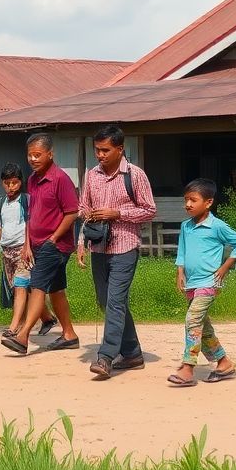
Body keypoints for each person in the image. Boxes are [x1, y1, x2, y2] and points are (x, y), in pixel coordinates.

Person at [76, 125, 157, 380]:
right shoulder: (92, 175)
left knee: (115, 301)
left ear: (120, 149)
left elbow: (149, 210)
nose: (100, 155)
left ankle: (106, 357)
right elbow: (82, 207)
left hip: (125, 246)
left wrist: (117, 213)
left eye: (105, 150)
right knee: (107, 301)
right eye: (97, 150)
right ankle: (132, 353)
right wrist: (81, 242)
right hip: (98, 246)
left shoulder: (135, 175)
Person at [1, 133, 80, 355]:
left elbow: (72, 213)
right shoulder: (33, 180)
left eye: (38, 155)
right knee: (55, 289)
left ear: (50, 154)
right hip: (35, 244)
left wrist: (53, 238)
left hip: (54, 245)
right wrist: (27, 244)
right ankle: (69, 334)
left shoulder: (60, 179)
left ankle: (23, 335)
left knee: (37, 286)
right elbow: (31, 215)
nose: (33, 159)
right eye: (30, 155)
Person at [171, 178, 236, 387]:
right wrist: (180, 271)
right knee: (203, 328)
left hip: (209, 283)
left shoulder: (217, 226)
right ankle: (224, 363)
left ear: (208, 202)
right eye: (186, 200)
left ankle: (188, 368)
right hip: (192, 283)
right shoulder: (186, 226)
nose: (188, 204)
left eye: (193, 200)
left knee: (192, 321)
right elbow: (183, 251)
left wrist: (225, 267)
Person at [0, 163, 55, 338]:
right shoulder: (0, 203)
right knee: (24, 289)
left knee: (20, 286)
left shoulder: (26, 200)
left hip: (23, 249)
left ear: (21, 182)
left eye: (14, 182)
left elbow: (30, 224)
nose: (10, 187)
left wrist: (28, 247)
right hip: (7, 250)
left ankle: (14, 327)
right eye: (7, 183)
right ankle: (48, 318)